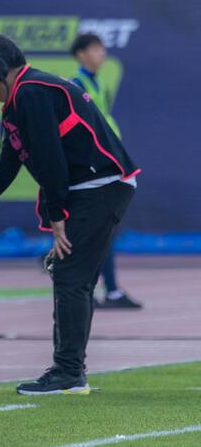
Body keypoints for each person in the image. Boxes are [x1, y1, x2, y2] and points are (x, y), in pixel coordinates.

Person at [0, 34, 139, 395]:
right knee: (70, 274)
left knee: (70, 274)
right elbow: (8, 165)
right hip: (93, 187)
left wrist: (57, 214)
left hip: (101, 185)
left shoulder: (32, 92)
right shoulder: (20, 98)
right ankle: (69, 371)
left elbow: (49, 158)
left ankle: (69, 373)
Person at [70, 33, 141, 309]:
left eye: (102, 49)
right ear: (81, 54)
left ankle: (106, 289)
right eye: (96, 49)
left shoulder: (96, 83)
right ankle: (102, 289)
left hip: (109, 166)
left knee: (105, 230)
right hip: (96, 170)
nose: (103, 54)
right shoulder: (77, 85)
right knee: (100, 230)